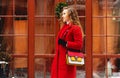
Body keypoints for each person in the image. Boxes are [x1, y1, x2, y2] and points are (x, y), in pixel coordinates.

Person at [51, 6, 84, 78]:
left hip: (67, 61)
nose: (62, 16)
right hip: (59, 60)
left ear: (70, 15)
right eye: (62, 14)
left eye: (64, 14)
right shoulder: (64, 27)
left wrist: (66, 43)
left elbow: (79, 44)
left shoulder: (76, 28)